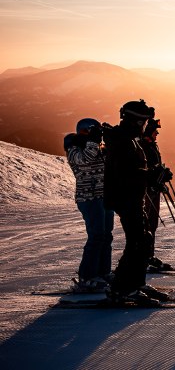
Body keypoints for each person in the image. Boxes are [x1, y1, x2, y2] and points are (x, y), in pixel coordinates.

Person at [103, 99, 171, 306]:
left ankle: (134, 284)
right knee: (137, 242)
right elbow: (126, 174)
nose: (145, 126)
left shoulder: (129, 139)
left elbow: (133, 172)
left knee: (143, 238)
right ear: (135, 121)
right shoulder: (124, 142)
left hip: (132, 196)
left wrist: (153, 176)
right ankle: (123, 288)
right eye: (143, 122)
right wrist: (152, 176)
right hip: (126, 197)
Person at [64, 119, 114, 292]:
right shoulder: (73, 149)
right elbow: (84, 161)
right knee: (96, 236)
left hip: (104, 197)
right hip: (89, 198)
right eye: (91, 131)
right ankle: (87, 277)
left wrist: (110, 139)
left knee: (106, 236)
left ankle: (103, 272)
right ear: (82, 132)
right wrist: (94, 141)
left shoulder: (97, 149)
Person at [139, 117, 172, 272]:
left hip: (153, 189)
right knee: (145, 225)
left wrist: (161, 175)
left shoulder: (151, 146)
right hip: (145, 191)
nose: (157, 133)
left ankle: (148, 256)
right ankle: (142, 258)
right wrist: (158, 175)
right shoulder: (143, 146)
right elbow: (143, 171)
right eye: (155, 131)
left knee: (152, 224)